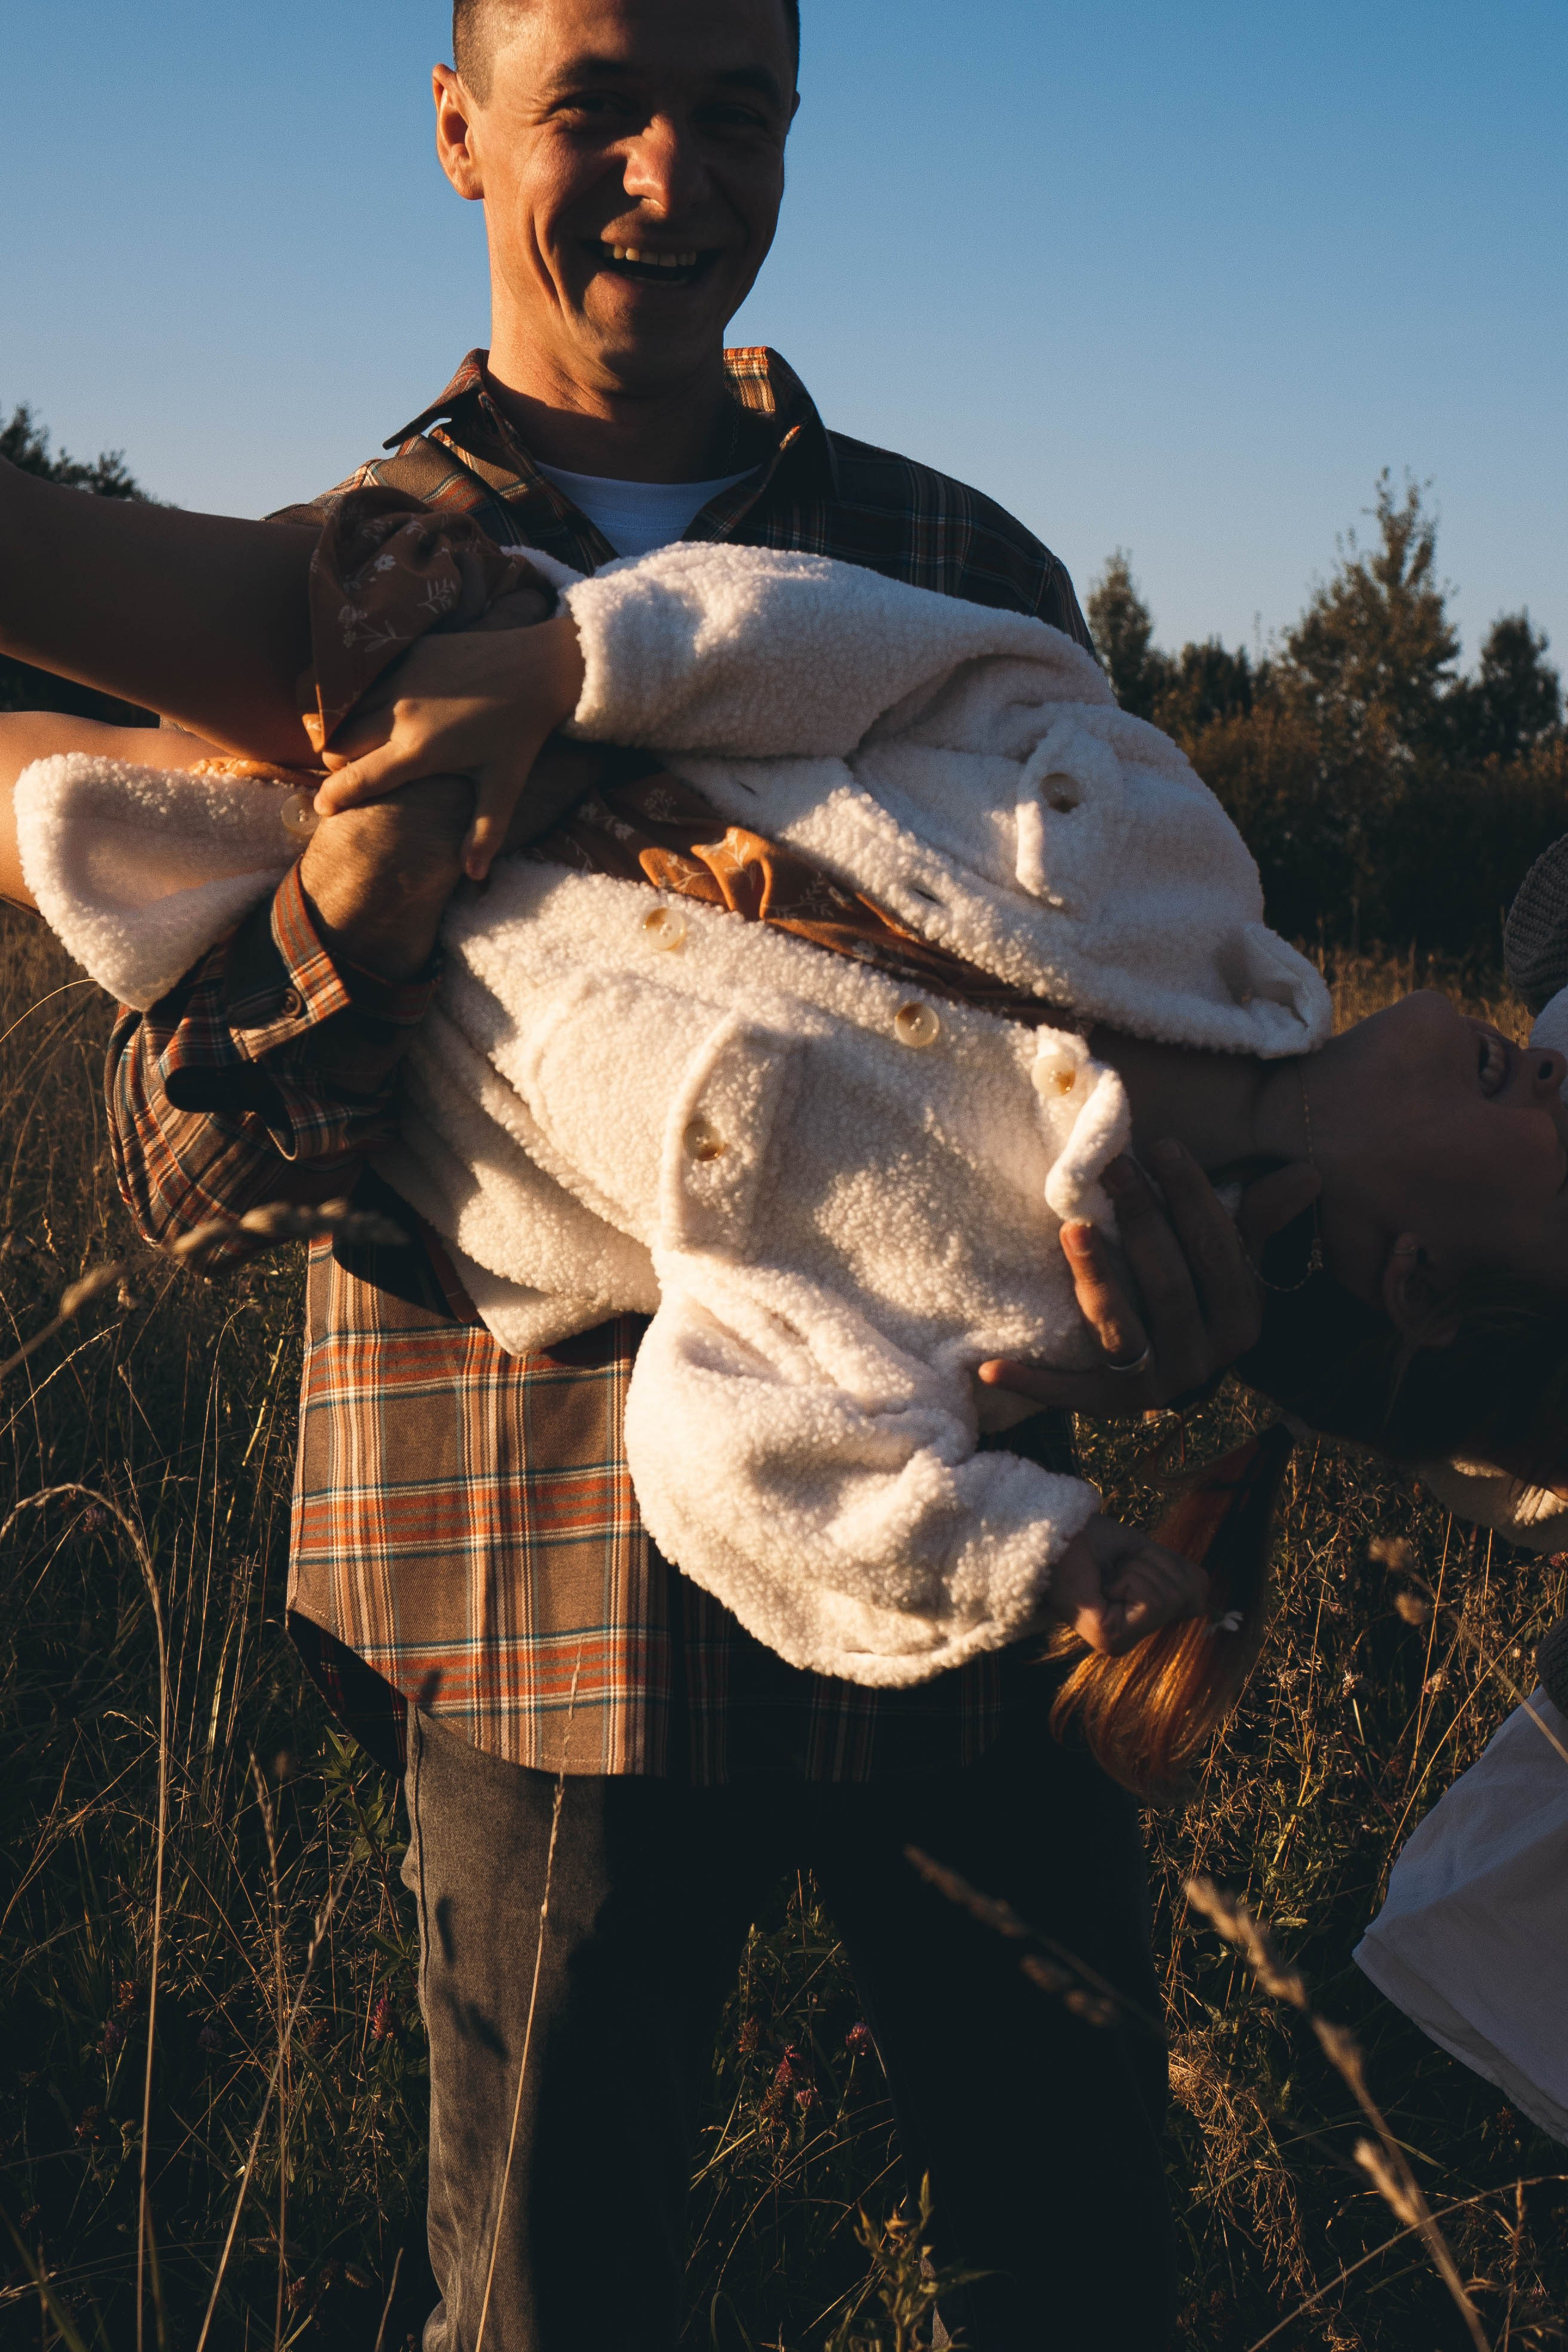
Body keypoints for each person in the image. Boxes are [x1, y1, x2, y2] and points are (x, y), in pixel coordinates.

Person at [1, 4, 1542, 2346]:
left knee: (1071, 2269)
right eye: (594, 103)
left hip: (957, 1630)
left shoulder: (938, 550)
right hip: (537, 1633)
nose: (667, 176)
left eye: (734, 113)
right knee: (545, 2300)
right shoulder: (358, 566)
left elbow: (1131, 1003)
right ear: (454, 129)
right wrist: (348, 914)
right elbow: (182, 1182)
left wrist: (1163, 1344)